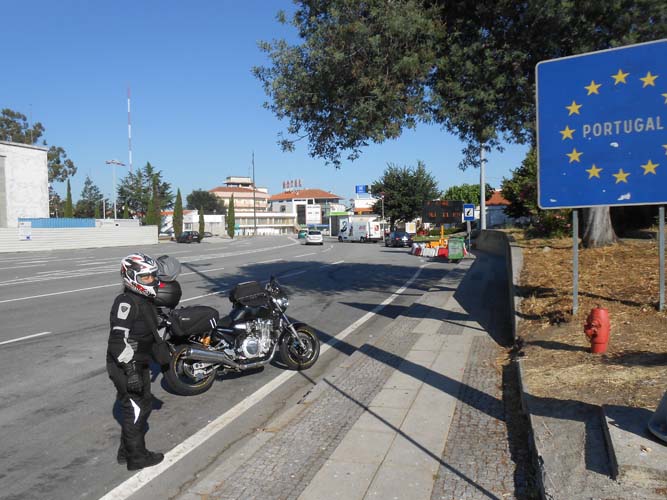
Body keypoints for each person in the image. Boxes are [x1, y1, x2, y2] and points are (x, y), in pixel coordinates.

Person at [107, 252, 164, 471]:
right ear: (131, 277)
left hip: (139, 362)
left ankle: (125, 451)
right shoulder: (126, 302)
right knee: (135, 411)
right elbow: (117, 340)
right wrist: (130, 371)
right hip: (125, 364)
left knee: (143, 406)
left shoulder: (143, 300)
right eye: (146, 277)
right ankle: (137, 458)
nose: (152, 280)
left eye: (153, 275)